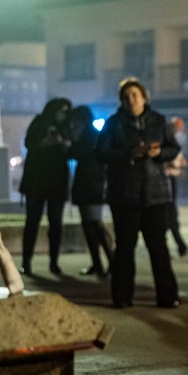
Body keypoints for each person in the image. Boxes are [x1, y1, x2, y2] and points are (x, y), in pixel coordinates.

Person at [97, 77, 181, 309]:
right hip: (124, 194)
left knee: (159, 247)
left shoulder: (159, 121)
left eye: (134, 95)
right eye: (126, 97)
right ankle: (122, 297)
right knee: (125, 247)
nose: (131, 100)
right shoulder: (114, 123)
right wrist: (128, 154)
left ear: (144, 97)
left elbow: (174, 148)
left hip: (156, 193)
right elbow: (100, 152)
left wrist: (159, 152)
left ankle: (167, 296)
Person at [18, 98, 73, 275]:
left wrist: (64, 144)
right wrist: (47, 142)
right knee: (32, 222)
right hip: (37, 179)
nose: (63, 114)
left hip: (57, 181)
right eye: (61, 111)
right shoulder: (40, 122)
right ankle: (26, 261)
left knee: (55, 223)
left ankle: (54, 262)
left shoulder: (67, 126)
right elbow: (29, 143)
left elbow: (73, 148)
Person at [69, 105, 114, 278]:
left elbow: (79, 153)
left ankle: (109, 261)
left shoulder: (89, 136)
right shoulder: (89, 134)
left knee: (93, 224)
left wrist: (69, 144)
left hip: (91, 184)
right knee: (90, 225)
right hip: (89, 184)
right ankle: (99, 263)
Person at [163, 116, 188, 257]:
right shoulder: (167, 138)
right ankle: (180, 246)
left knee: (170, 213)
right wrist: (177, 162)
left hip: (171, 178)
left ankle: (180, 246)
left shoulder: (174, 141)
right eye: (179, 127)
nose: (181, 130)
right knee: (169, 214)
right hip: (166, 179)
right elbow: (170, 159)